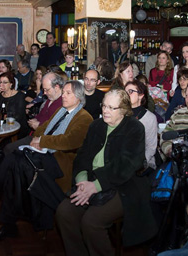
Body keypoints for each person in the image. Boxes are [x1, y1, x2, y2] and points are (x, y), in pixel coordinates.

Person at [0, 79, 93, 242]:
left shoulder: (84, 118)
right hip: (43, 154)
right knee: (14, 167)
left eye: (67, 93)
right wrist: (36, 139)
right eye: (63, 92)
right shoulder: (61, 110)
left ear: (78, 97)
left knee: (14, 161)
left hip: (59, 162)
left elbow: (69, 141)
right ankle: (6, 222)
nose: (63, 96)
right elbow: (43, 128)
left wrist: (42, 142)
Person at [56, 89, 156, 255]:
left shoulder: (135, 128)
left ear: (124, 110)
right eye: (104, 106)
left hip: (124, 185)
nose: (105, 111)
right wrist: (82, 180)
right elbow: (83, 156)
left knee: (91, 222)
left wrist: (95, 186)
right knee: (64, 213)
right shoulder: (96, 125)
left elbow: (128, 165)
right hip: (89, 180)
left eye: (111, 107)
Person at [125, 81, 158, 169]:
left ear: (141, 95)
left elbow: (151, 148)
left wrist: (138, 163)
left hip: (143, 162)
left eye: (130, 91)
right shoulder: (120, 114)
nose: (127, 95)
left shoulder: (150, 118)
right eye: (125, 92)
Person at [0, 72, 29, 137]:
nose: (2, 85)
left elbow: (19, 116)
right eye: (0, 82)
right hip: (1, 127)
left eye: (5, 82)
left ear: (11, 84)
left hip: (16, 128)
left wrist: (2, 119)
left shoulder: (19, 95)